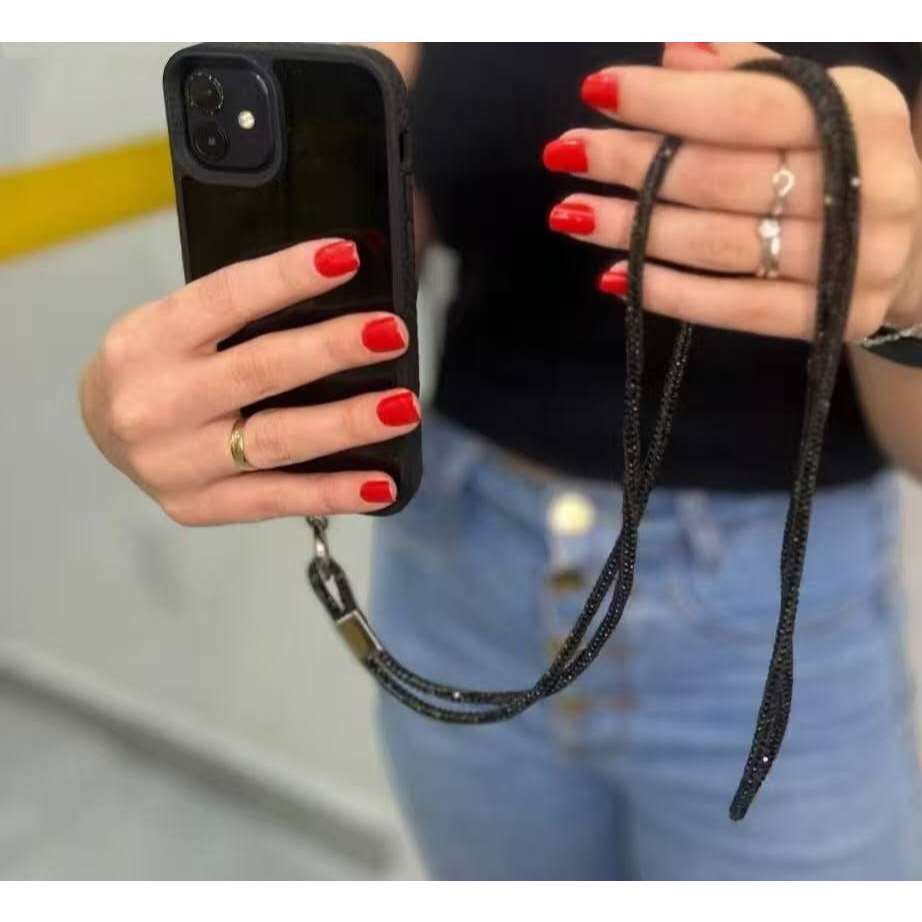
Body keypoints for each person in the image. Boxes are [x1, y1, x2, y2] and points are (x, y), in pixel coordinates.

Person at [80, 43, 922, 879]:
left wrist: (910, 286)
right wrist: (206, 370)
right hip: (459, 565)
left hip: (773, 617)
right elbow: (369, 228)